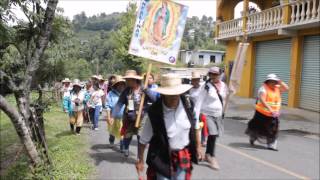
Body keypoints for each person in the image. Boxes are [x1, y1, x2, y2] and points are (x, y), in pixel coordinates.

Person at [136, 73, 202, 180]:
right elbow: (143, 140)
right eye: (170, 94)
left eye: (176, 93)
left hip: (183, 155)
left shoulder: (188, 105)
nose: (174, 97)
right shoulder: (155, 111)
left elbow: (196, 126)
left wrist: (198, 147)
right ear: (163, 94)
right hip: (162, 158)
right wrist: (140, 160)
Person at [113, 70, 157, 157]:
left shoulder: (143, 88)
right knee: (127, 135)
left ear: (135, 80)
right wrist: (113, 115)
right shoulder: (126, 91)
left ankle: (139, 156)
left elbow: (155, 99)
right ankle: (126, 148)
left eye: (129, 80)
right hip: (129, 116)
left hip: (142, 116)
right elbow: (119, 103)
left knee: (140, 136)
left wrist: (147, 91)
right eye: (127, 80)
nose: (127, 82)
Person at [195, 66, 228, 170]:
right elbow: (199, 102)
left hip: (218, 114)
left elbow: (225, 98)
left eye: (215, 74)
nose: (213, 76)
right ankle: (211, 156)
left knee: (214, 136)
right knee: (212, 133)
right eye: (211, 74)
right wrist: (195, 117)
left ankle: (207, 154)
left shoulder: (224, 85)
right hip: (206, 114)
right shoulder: (206, 87)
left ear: (220, 75)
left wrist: (230, 92)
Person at [245, 74, 289, 151]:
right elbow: (263, 100)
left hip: (273, 114)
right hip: (261, 113)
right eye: (271, 81)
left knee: (273, 129)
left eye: (275, 81)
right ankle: (253, 137)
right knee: (257, 128)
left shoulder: (277, 88)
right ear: (267, 82)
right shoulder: (263, 89)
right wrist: (270, 109)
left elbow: (287, 88)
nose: (273, 83)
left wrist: (280, 81)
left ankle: (271, 145)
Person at [105, 76, 126, 152]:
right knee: (112, 131)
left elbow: (130, 104)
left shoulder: (126, 93)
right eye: (119, 84)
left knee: (122, 132)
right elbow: (107, 106)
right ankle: (111, 141)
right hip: (112, 116)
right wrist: (108, 117)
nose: (121, 86)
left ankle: (122, 146)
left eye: (123, 84)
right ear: (116, 85)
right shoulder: (110, 93)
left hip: (123, 117)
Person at [189, 71, 208, 147]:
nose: (195, 81)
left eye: (197, 79)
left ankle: (204, 139)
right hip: (193, 110)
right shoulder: (189, 89)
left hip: (202, 109)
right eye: (193, 80)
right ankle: (193, 139)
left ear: (199, 80)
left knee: (203, 123)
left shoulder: (203, 88)